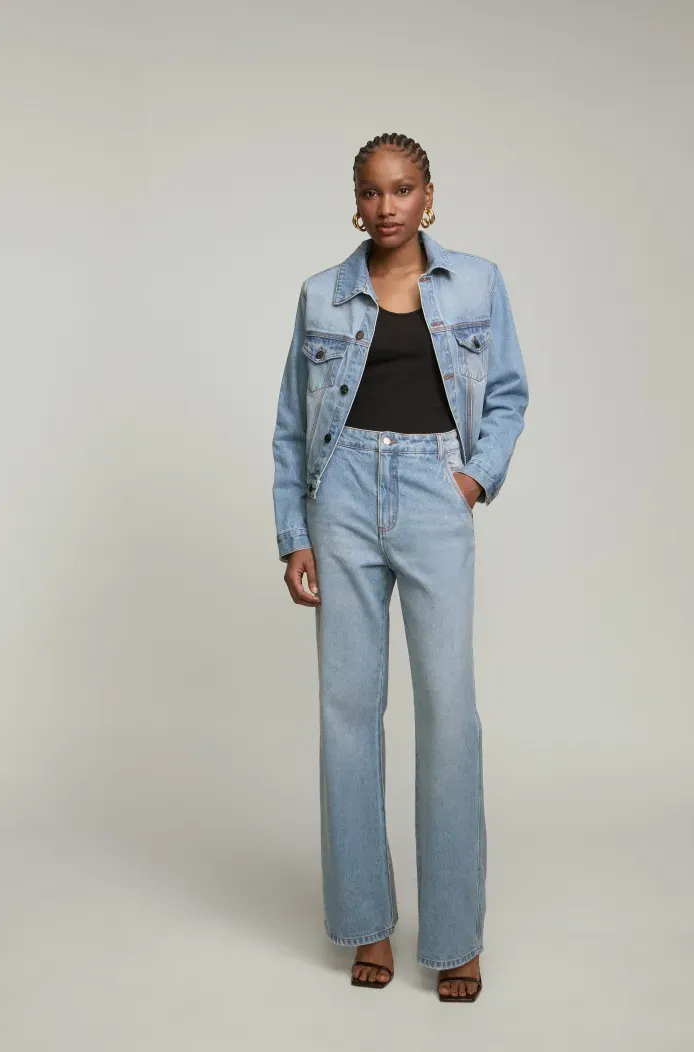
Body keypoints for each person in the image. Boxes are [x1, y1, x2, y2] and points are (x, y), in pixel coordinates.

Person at [271, 132, 529, 1002]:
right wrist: (294, 533)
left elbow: (507, 394)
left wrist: (473, 478)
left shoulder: (478, 283)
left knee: (448, 715)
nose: (387, 206)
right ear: (356, 202)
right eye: (372, 192)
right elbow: (290, 424)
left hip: (432, 491)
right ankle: (366, 925)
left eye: (403, 189)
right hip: (340, 494)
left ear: (427, 195)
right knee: (347, 712)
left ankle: (455, 936)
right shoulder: (321, 294)